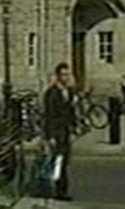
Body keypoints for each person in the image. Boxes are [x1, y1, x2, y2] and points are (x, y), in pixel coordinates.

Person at [42, 62, 77, 201]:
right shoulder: (52, 93)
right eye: (63, 75)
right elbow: (49, 115)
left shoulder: (68, 91)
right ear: (58, 76)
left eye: (68, 74)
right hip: (57, 132)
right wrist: (50, 136)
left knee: (64, 161)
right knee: (58, 161)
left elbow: (71, 112)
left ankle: (60, 189)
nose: (66, 77)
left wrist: (74, 128)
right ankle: (60, 191)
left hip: (66, 131)